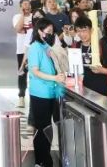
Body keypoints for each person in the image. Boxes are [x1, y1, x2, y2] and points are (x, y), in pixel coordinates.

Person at [28, 18, 67, 167]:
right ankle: (41, 160)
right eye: (48, 32)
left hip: (51, 91)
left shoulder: (47, 46)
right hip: (40, 93)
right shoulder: (35, 47)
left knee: (48, 127)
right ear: (39, 31)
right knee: (42, 128)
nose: (51, 34)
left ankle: (45, 158)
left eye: (52, 32)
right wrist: (54, 78)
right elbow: (35, 71)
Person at [71, 15, 107, 96]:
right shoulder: (75, 46)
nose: (81, 34)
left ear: (91, 30)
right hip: (81, 89)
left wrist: (106, 70)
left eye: (84, 30)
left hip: (100, 90)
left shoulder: (101, 45)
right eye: (78, 31)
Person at [12, 0, 34, 108]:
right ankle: (21, 97)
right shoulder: (17, 17)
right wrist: (22, 14)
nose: (27, 6)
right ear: (20, 6)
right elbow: (18, 29)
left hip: (34, 49)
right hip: (21, 50)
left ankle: (34, 97)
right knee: (22, 74)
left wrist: (25, 31)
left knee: (35, 72)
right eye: (25, 4)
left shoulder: (34, 16)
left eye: (29, 4)